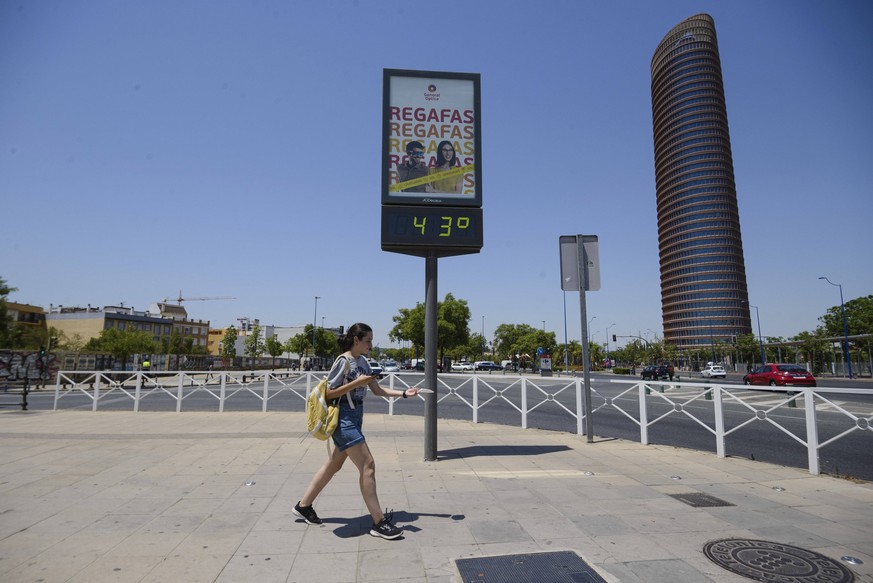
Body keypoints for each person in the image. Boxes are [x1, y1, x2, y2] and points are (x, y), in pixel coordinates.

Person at [293, 323, 420, 540]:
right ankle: (378, 522)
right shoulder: (343, 361)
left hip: (355, 417)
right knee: (368, 465)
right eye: (368, 341)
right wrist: (356, 383)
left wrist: (404, 393)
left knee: (334, 464)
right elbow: (330, 393)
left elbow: (377, 391)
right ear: (356, 340)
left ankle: (304, 506)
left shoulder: (364, 362)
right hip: (343, 420)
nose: (371, 345)